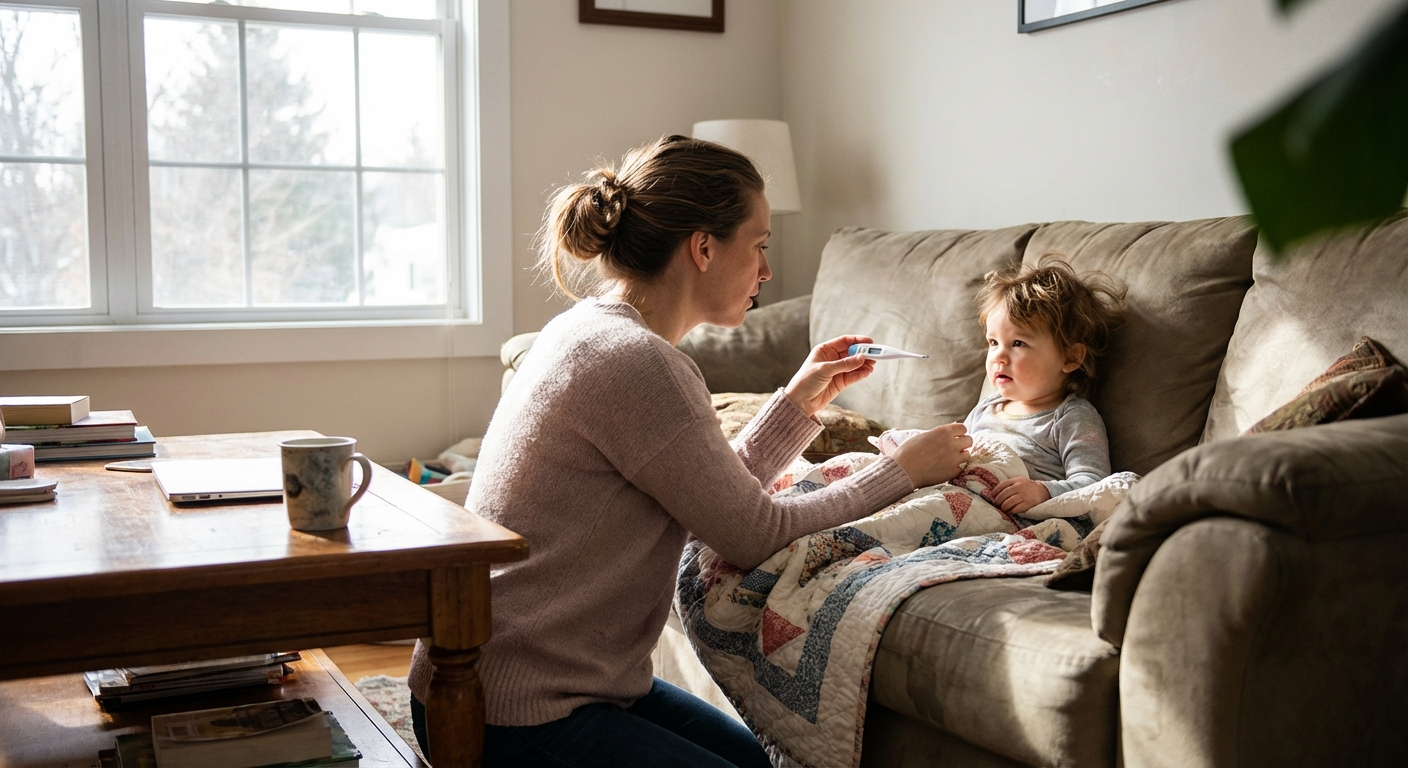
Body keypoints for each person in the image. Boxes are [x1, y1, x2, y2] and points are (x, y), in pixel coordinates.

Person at [406, 135, 973, 767]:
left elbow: (708, 492)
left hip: (516, 683)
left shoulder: (591, 329)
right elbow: (754, 533)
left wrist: (799, 400)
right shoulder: (638, 363)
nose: (766, 272)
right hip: (515, 708)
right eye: (758, 246)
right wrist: (901, 471)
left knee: (754, 763)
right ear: (703, 247)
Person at [875, 258, 1126, 515]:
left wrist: (1043, 491)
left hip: (1006, 518)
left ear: (1070, 357)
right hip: (959, 500)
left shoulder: (1072, 417)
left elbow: (1094, 485)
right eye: (993, 342)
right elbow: (958, 458)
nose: (998, 357)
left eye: (1018, 343)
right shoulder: (987, 408)